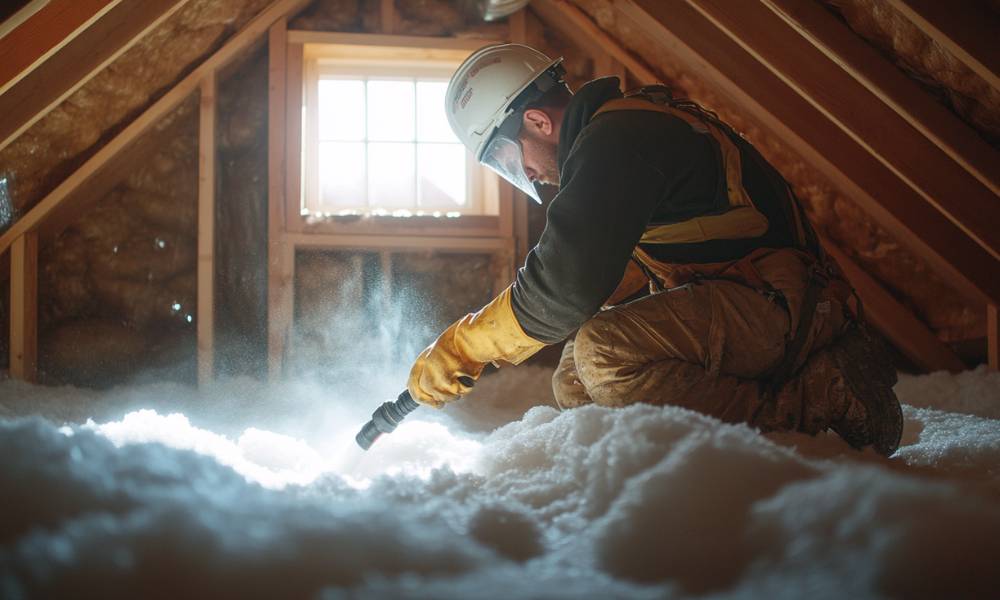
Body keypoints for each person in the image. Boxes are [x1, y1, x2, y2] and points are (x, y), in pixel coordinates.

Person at [407, 43, 903, 456]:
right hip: (752, 298)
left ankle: (818, 400)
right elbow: (603, 275)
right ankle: (660, 473)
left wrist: (465, 346)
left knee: (604, 352)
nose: (528, 175)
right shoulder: (616, 136)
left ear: (538, 121)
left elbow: (563, 288)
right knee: (574, 380)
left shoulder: (617, 140)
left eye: (508, 159)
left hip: (790, 306)